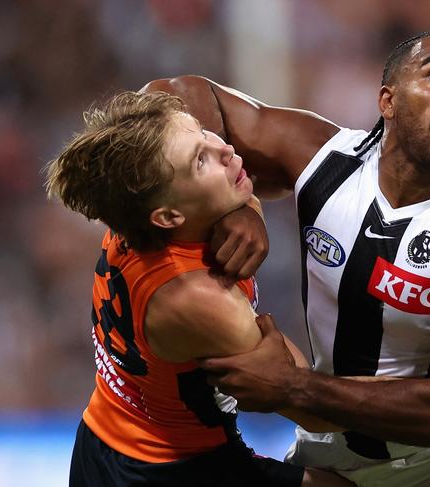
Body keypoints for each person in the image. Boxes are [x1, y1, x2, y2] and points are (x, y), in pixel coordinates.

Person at [141, 30, 430, 486]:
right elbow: (174, 95)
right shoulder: (324, 160)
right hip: (338, 452)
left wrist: (293, 387)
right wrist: (238, 205)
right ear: (387, 101)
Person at [44, 91, 354, 487]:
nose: (224, 148)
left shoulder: (134, 212)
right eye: (200, 160)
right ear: (169, 216)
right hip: (170, 469)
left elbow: (180, 91)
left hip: (103, 436)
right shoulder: (202, 300)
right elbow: (321, 412)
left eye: (204, 134)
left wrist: (249, 207)